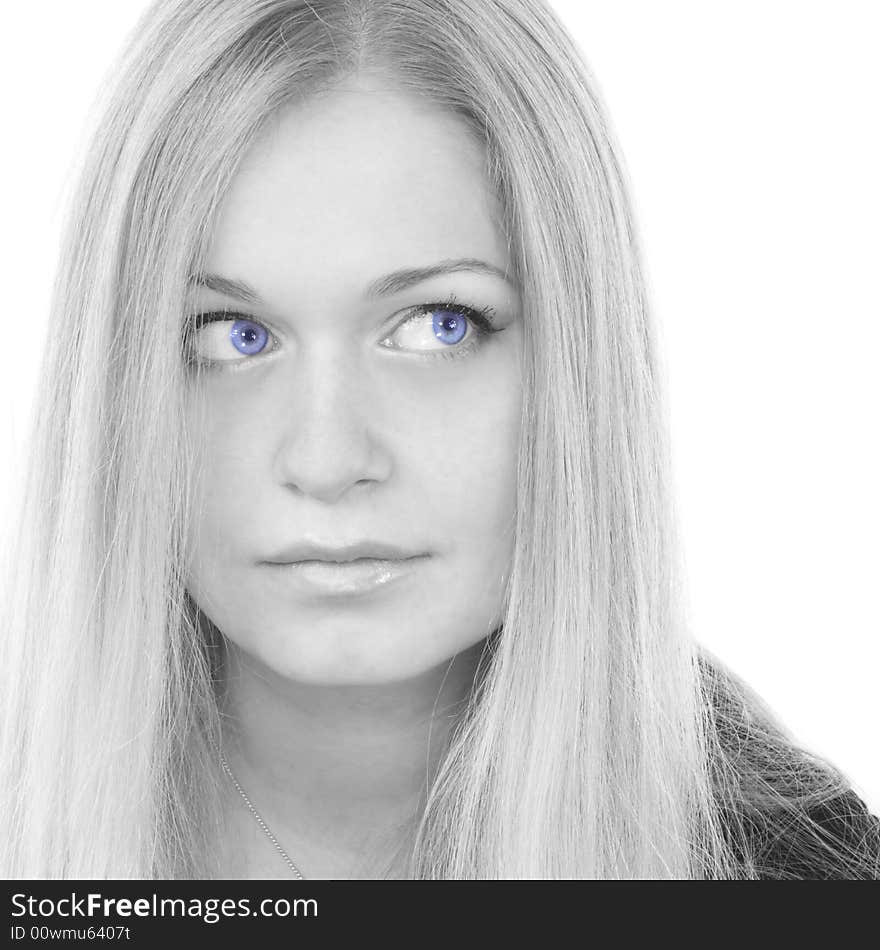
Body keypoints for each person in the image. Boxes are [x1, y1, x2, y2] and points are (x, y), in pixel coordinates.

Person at [1, 0, 877, 880]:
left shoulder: (799, 870)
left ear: (580, 366)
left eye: (438, 326)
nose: (328, 461)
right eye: (231, 334)